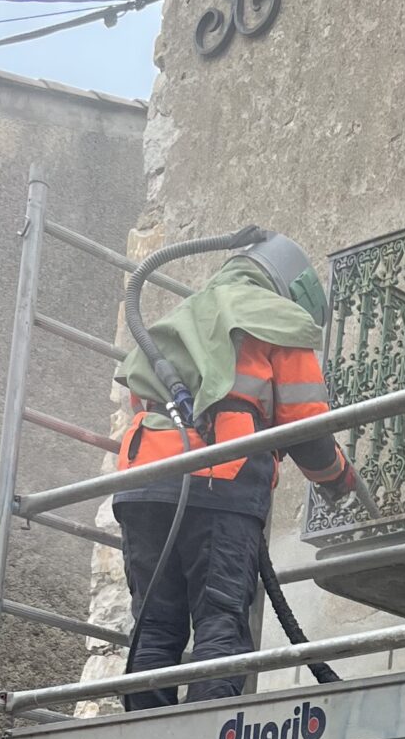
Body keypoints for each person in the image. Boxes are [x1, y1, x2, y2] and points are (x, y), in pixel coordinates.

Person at [111, 233, 356, 712]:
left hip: (142, 483)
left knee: (155, 621)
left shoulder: (176, 320)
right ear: (290, 288)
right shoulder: (278, 321)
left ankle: (141, 731)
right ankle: (205, 732)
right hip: (220, 481)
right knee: (220, 616)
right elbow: (307, 427)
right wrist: (337, 479)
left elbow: (141, 401)